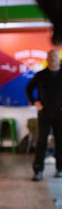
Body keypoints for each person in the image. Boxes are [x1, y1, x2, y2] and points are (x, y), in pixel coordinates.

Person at [26, 49, 62, 181]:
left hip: (60, 113)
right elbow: (28, 89)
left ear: (59, 59)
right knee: (41, 141)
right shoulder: (41, 75)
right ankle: (38, 171)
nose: (53, 59)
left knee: (60, 141)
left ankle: (60, 169)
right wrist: (35, 102)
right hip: (45, 112)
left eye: (55, 57)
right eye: (50, 57)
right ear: (47, 60)